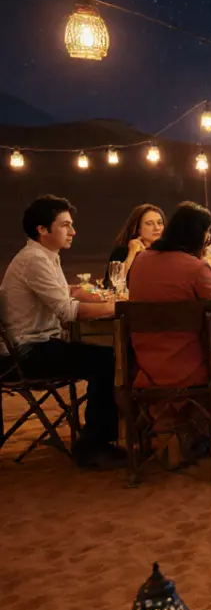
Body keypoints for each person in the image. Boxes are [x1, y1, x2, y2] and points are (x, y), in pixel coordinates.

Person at [0, 195, 120, 468]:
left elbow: (65, 293)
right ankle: (93, 447)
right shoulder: (35, 260)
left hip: (39, 344)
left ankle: (100, 438)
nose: (73, 232)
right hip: (26, 353)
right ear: (42, 229)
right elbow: (67, 311)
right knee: (107, 361)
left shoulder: (45, 256)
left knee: (105, 356)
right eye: (65, 225)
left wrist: (87, 295)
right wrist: (118, 305)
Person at [127, 201, 211, 457]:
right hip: (190, 367)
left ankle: (171, 426)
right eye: (207, 232)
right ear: (199, 235)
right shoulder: (197, 268)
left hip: (144, 368)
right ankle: (197, 429)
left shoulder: (140, 263)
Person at [104, 204, 164, 289]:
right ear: (138, 229)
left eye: (160, 223)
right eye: (149, 224)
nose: (157, 228)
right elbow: (112, 286)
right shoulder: (123, 252)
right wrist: (132, 254)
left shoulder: (168, 252)